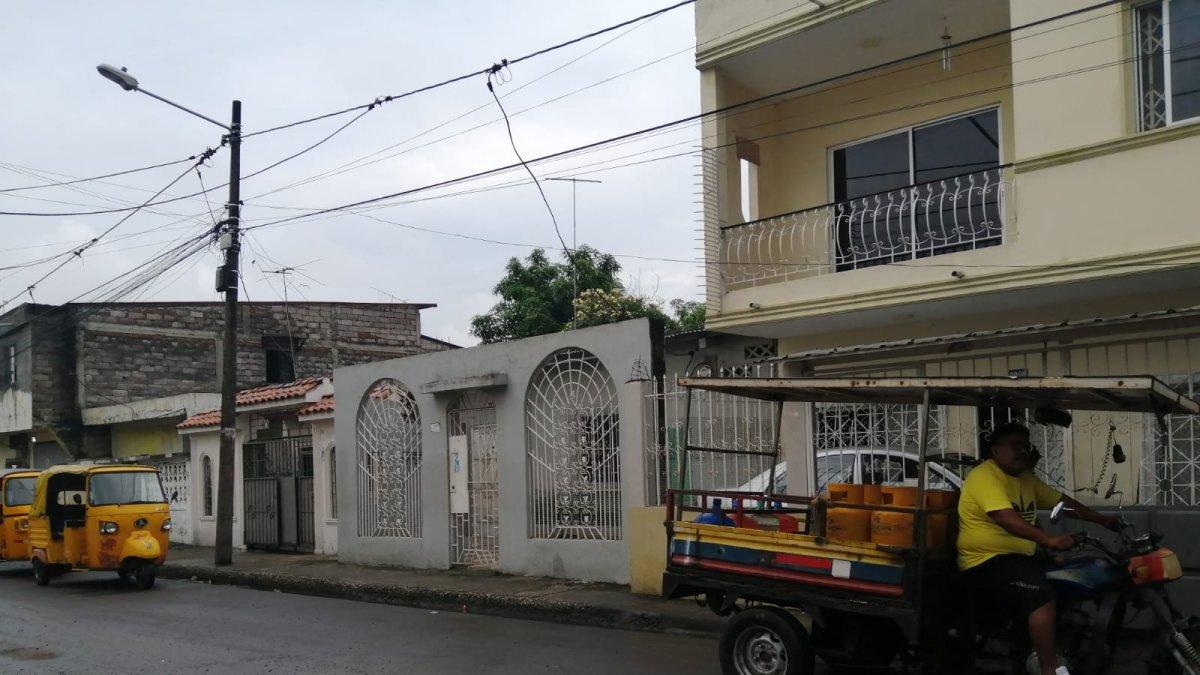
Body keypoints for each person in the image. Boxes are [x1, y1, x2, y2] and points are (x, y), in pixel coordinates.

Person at [957, 421, 1119, 675]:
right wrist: (1049, 539)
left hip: (1022, 558)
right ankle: (1050, 668)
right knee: (1042, 597)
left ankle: (1058, 646)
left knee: (1069, 580)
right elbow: (1005, 517)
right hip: (987, 561)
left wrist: (1102, 519)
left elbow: (1062, 502)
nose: (1022, 451)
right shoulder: (984, 476)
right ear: (996, 451)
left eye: (1025, 445)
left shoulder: (1025, 479)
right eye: (1015, 446)